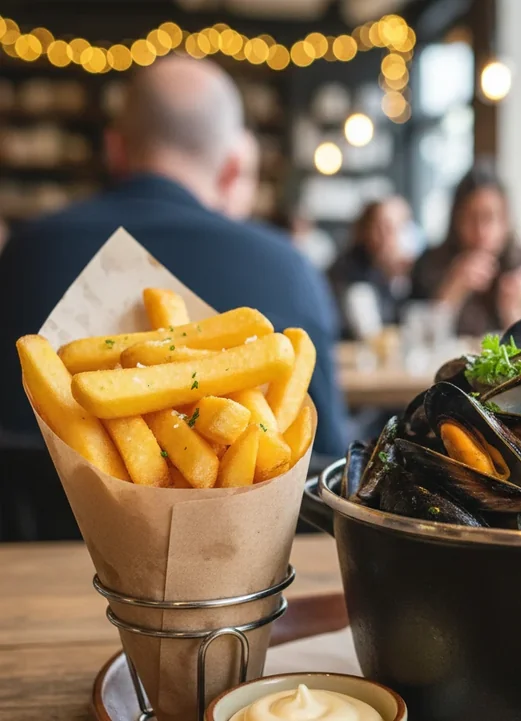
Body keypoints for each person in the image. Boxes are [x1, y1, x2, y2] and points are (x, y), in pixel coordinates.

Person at [0, 57, 347, 539]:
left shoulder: (22, 252)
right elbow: (327, 467)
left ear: (114, 148)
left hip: (24, 577)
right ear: (232, 167)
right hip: (238, 578)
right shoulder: (287, 265)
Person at [410, 165, 521, 336]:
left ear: (506, 221)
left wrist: (518, 310)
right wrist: (451, 291)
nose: (481, 231)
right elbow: (416, 342)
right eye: (471, 218)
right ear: (456, 220)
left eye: (489, 217)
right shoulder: (429, 263)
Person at [329, 198, 415, 339]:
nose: (388, 237)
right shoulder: (351, 271)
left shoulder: (397, 272)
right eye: (382, 227)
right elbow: (370, 335)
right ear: (365, 229)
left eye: (399, 228)